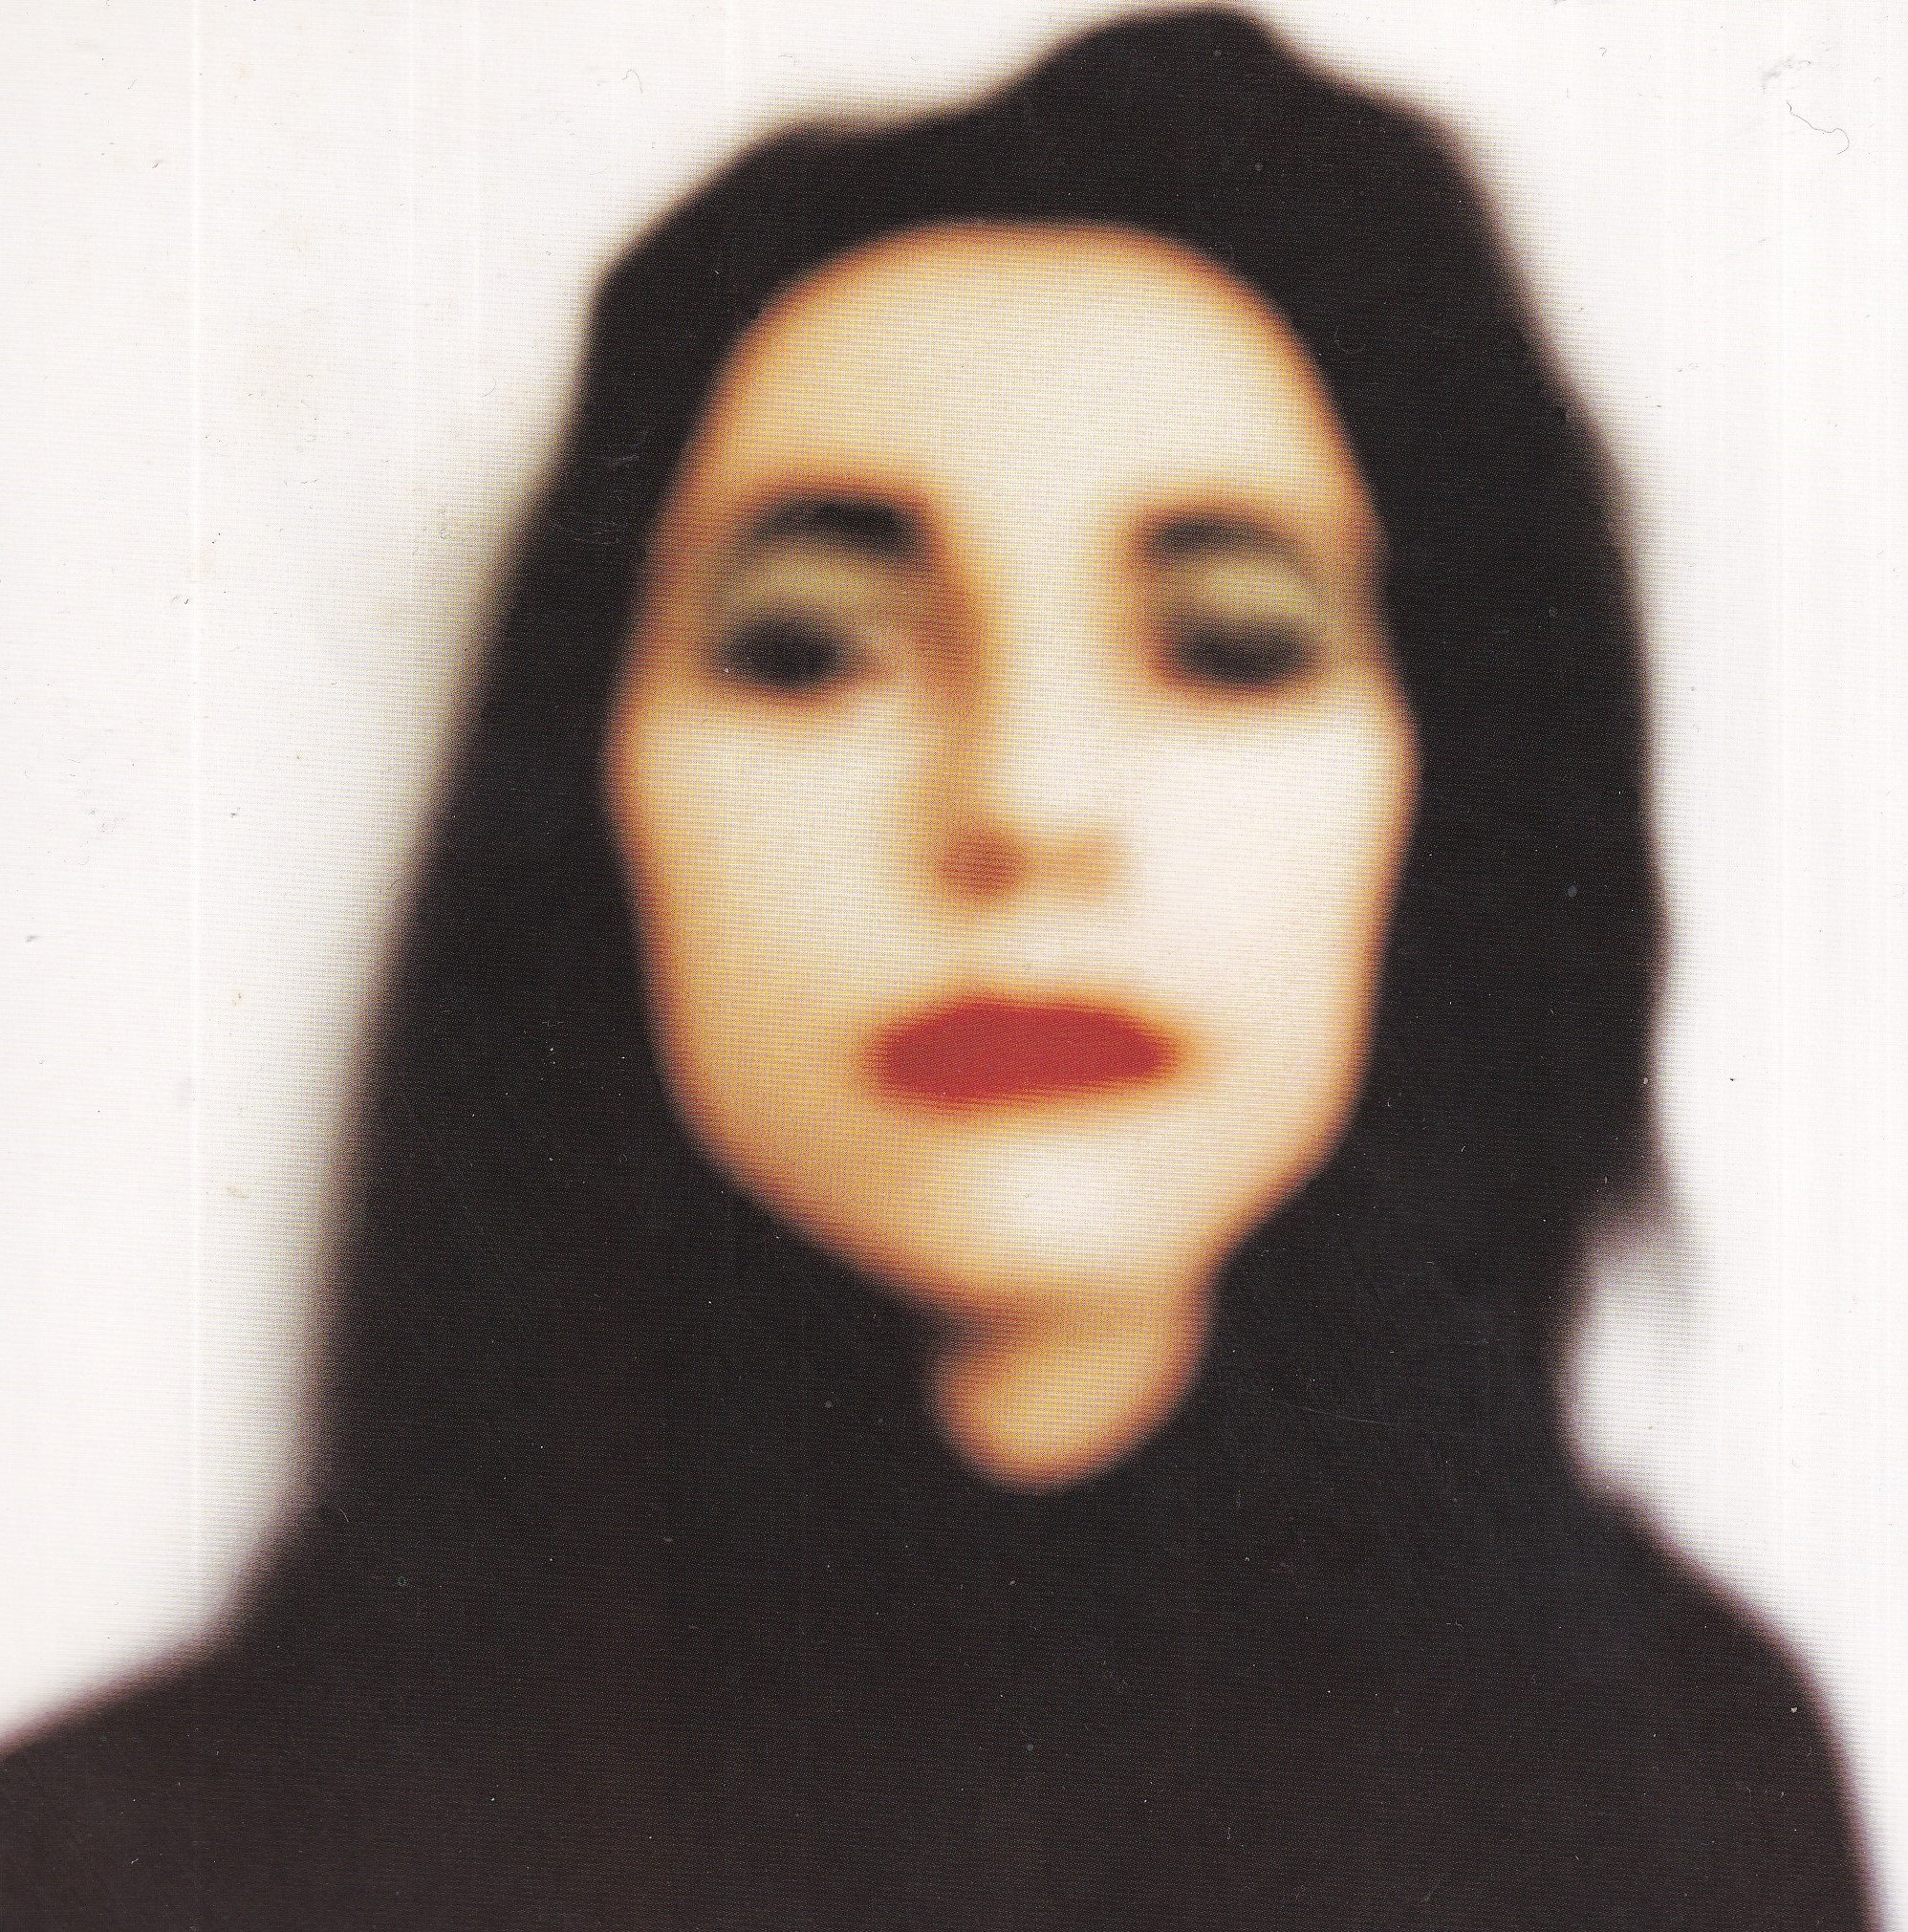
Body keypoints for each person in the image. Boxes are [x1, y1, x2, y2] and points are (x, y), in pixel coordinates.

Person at [0, 9, 1874, 1927]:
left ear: (1448, 803)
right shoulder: (121, 1859)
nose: (1023, 802)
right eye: (808, 647)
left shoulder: (1675, 1789)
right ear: (585, 800)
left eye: (1229, 642)